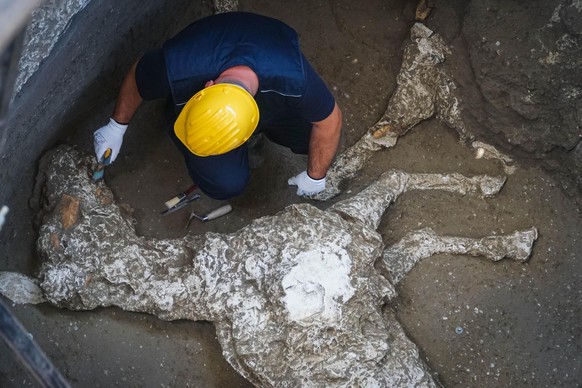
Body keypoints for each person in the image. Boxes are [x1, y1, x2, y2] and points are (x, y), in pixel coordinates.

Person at [93, 12, 342, 199]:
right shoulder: (178, 67)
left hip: (270, 60)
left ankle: (262, 138)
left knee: (313, 137)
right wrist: (116, 126)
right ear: (207, 86)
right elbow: (139, 75)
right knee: (226, 183)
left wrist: (315, 176)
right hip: (207, 49)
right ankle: (176, 113)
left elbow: (330, 121)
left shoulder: (293, 79)